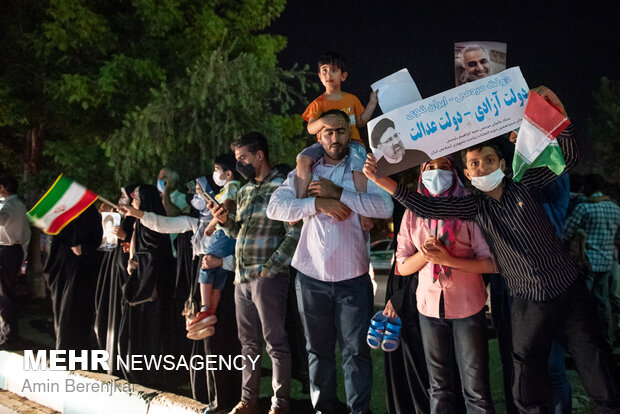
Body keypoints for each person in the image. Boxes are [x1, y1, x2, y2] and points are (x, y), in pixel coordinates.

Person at [363, 86, 620, 413]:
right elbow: (425, 206)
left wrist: (556, 113)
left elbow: (567, 156)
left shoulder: (528, 183)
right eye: (475, 163)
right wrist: (383, 181)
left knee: (597, 368)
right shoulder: (473, 208)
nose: (483, 167)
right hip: (527, 302)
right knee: (526, 381)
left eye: (489, 160)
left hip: (569, 293)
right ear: (468, 174)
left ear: (503, 162)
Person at [267, 109, 394, 414]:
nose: (335, 137)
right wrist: (317, 203)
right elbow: (275, 207)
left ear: (350, 132)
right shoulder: (306, 171)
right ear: (318, 136)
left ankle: (358, 411)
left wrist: (339, 193)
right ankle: (324, 408)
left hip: (353, 277)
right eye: (328, 132)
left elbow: (385, 206)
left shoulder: (363, 168)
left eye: (340, 131)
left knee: (356, 353)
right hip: (310, 277)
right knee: (318, 351)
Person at [121, 177, 241, 413]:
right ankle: (214, 398)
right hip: (204, 295)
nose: (197, 198)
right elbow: (163, 224)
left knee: (227, 345)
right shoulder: (196, 224)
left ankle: (233, 399)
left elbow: (246, 258)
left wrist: (222, 262)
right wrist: (136, 213)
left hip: (229, 294)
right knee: (209, 345)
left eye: (201, 193)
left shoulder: (234, 224)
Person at [392, 156, 496, 413]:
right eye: (430, 168)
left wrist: (448, 259)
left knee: (476, 390)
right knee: (438, 387)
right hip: (428, 307)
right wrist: (424, 255)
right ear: (421, 173)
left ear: (454, 172)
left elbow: (491, 262)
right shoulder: (412, 212)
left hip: (467, 306)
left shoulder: (469, 208)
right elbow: (402, 266)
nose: (437, 173)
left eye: (444, 167)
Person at [209, 132, 301, 414]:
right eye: (237, 159)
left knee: (275, 342)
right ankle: (247, 401)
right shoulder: (246, 190)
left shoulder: (284, 186)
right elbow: (239, 232)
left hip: (268, 278)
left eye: (243, 158)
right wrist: (225, 222)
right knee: (247, 344)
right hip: (241, 279)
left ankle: (279, 404)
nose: (240, 165)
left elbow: (294, 232)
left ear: (260, 155)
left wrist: (270, 268)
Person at [299, 52, 377, 230]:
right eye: (324, 71)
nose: (328, 75)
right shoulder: (318, 103)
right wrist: (323, 122)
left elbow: (361, 121)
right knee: (303, 159)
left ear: (343, 75)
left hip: (353, 143)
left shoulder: (351, 99)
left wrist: (372, 103)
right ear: (319, 76)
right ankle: (301, 203)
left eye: (333, 70)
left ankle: (364, 213)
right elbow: (310, 128)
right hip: (324, 146)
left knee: (360, 169)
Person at [117, 184, 176, 387]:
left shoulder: (153, 223)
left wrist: (136, 261)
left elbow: (156, 255)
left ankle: (152, 375)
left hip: (152, 289)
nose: (132, 202)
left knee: (152, 333)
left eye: (135, 199)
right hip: (141, 284)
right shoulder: (141, 224)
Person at [564, 173, 620, 347]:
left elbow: (567, 231)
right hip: (607, 262)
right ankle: (607, 341)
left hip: (587, 262)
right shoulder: (615, 207)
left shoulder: (585, 208)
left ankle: (582, 343)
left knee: (581, 305)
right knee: (603, 303)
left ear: (589, 187)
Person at [44, 204, 103, 350]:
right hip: (68, 268)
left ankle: (71, 348)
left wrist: (83, 248)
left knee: (73, 310)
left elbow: (94, 239)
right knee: (66, 311)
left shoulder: (85, 214)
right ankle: (67, 348)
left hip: (78, 269)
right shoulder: (72, 215)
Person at [94, 185, 136, 374]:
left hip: (125, 272)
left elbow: (143, 241)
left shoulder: (138, 218)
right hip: (112, 268)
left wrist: (125, 236)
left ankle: (120, 364)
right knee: (106, 315)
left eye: (124, 195)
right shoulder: (119, 216)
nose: (120, 199)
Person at [194, 155, 240, 321]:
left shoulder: (233, 187)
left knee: (207, 264)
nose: (214, 174)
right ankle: (211, 314)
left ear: (228, 173)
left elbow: (225, 209)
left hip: (222, 233)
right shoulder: (230, 188)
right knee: (219, 272)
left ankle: (206, 308)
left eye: (216, 170)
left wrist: (212, 224)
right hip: (228, 235)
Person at [0, 175, 31, 349]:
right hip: (14, 250)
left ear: (3, 187)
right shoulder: (18, 204)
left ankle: (8, 335)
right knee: (6, 292)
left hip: (7, 251)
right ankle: (8, 333)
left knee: (4, 294)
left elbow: (1, 220)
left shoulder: (9, 205)